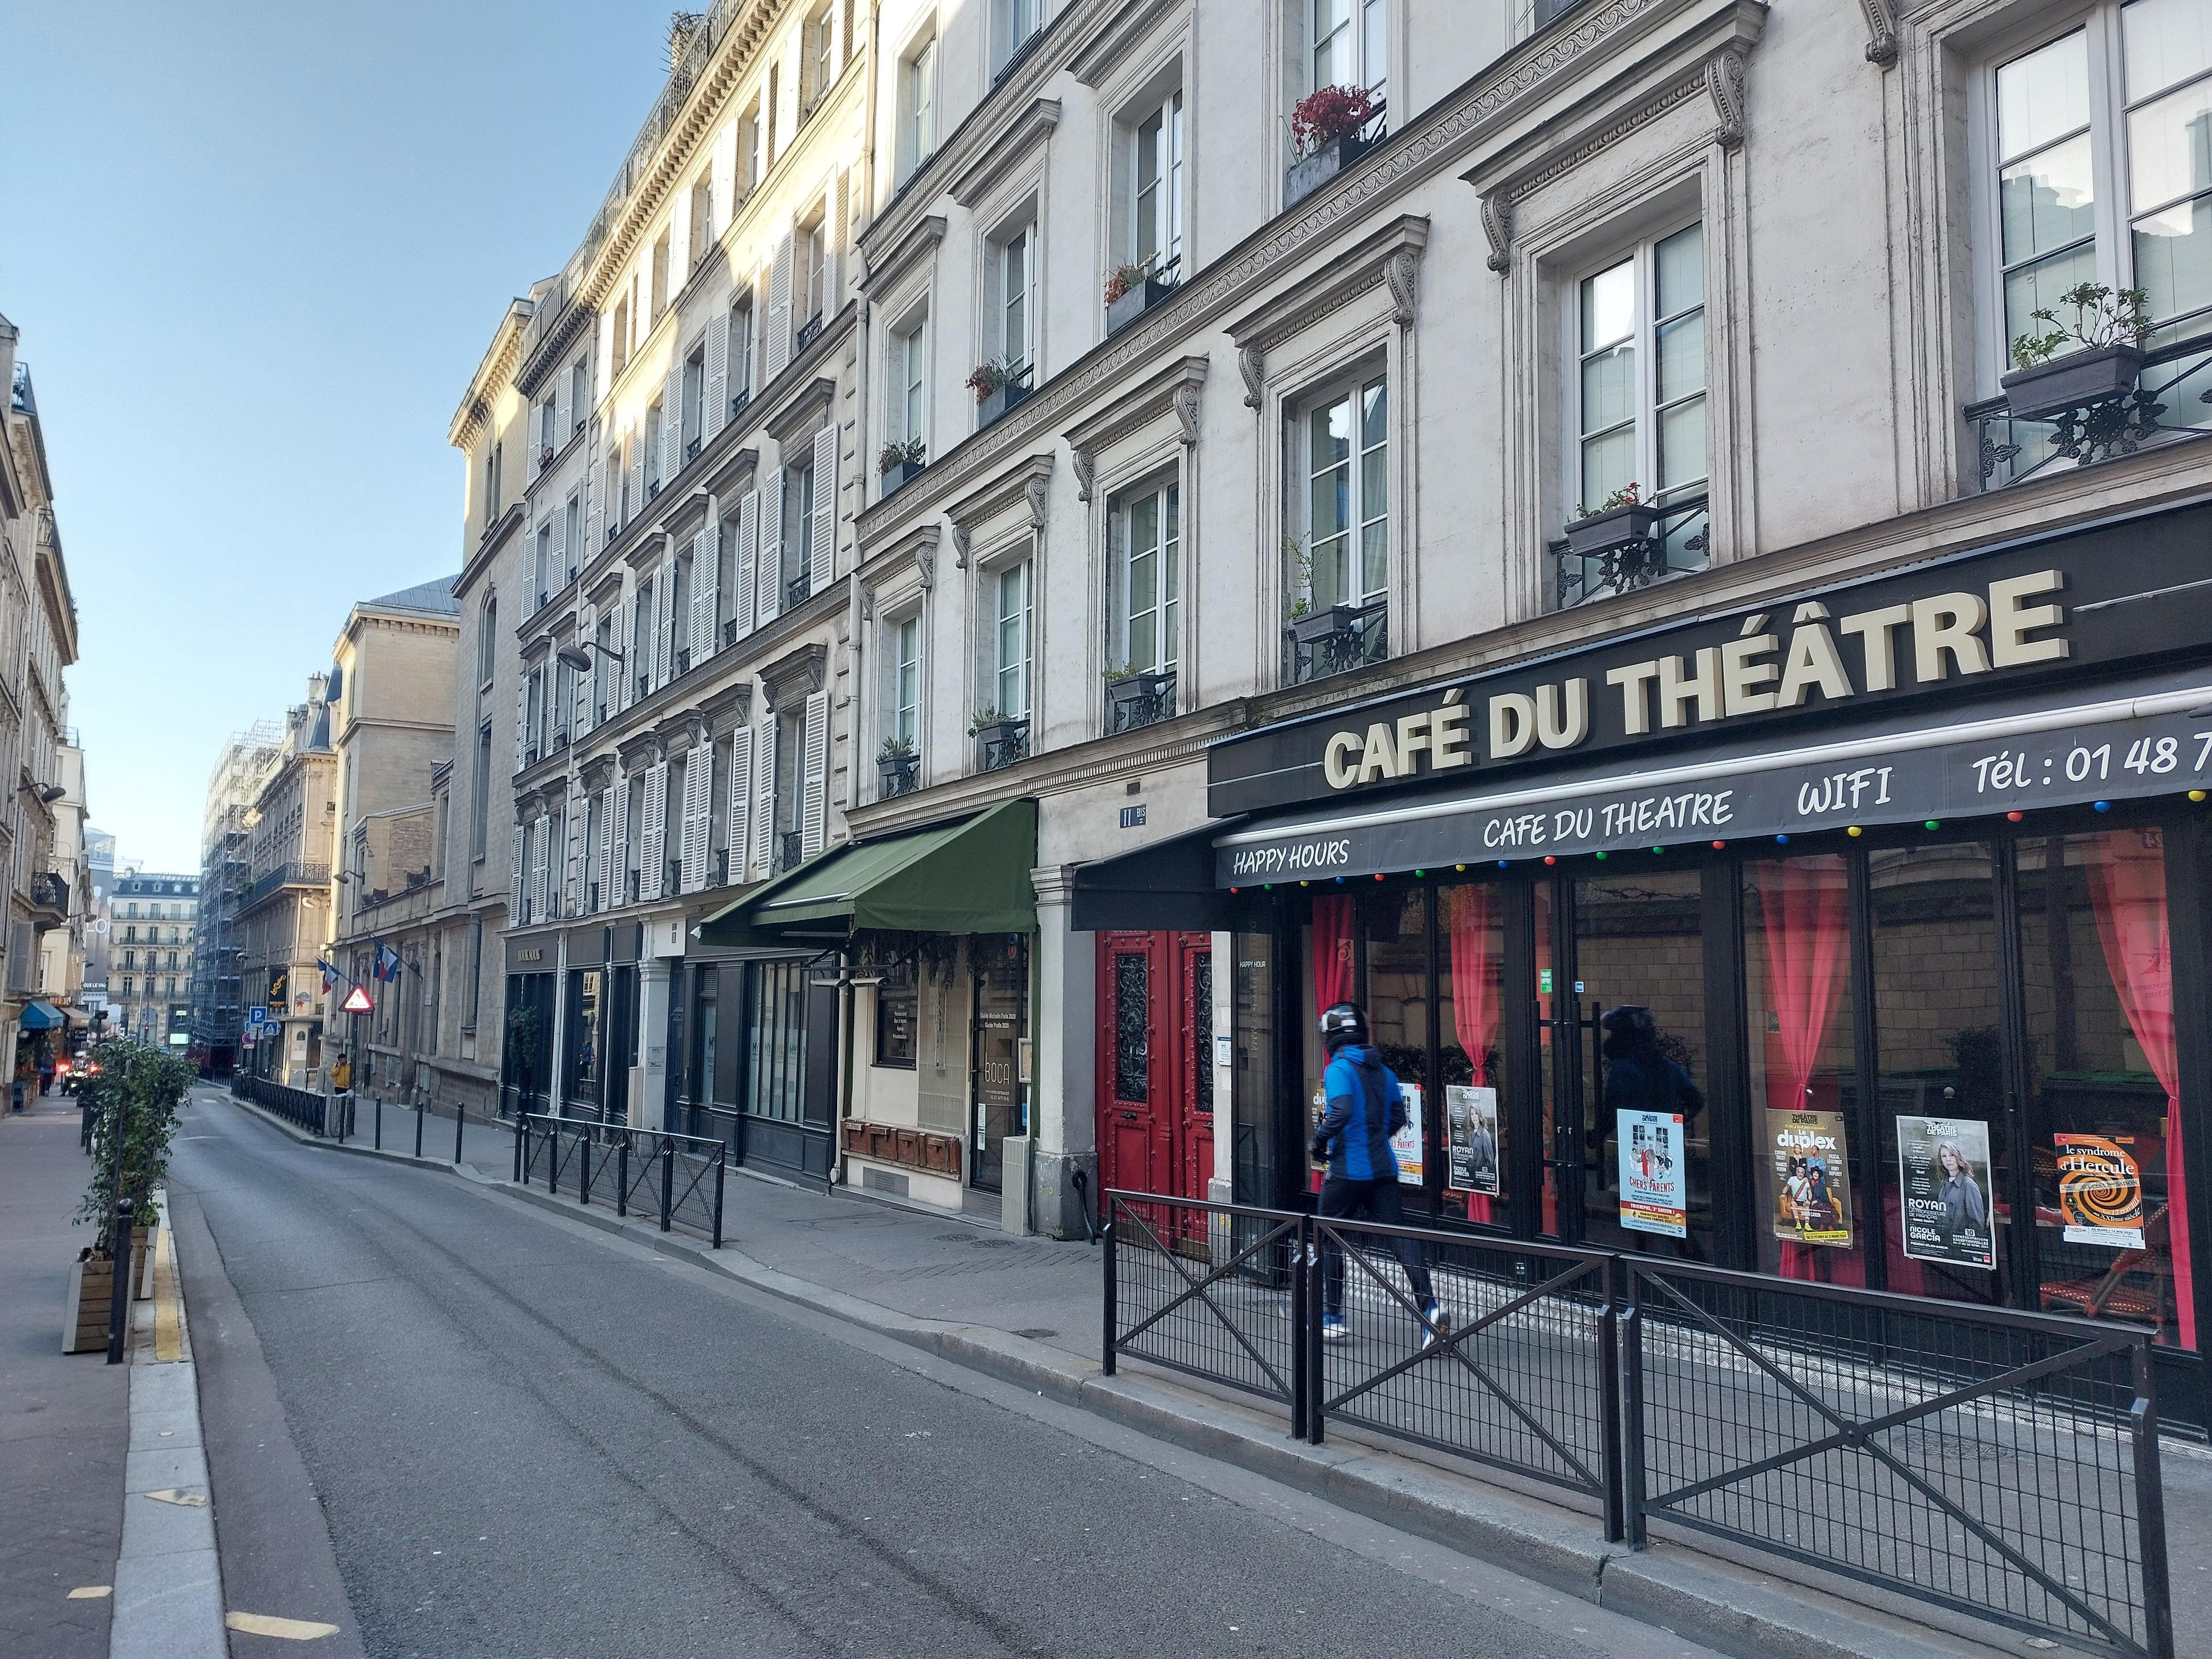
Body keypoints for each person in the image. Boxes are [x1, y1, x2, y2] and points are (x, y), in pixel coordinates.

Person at [1310, 1002, 1449, 1347]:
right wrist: (1376, 1137)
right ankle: (1430, 1309)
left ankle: (1332, 1316)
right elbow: (1398, 1119)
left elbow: (1340, 1111)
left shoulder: (1338, 1069)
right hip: (1384, 1169)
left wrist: (1319, 1141)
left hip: (1347, 1169)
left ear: (1333, 1036)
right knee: (1400, 1238)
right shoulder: (1384, 1073)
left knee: (1329, 1236)